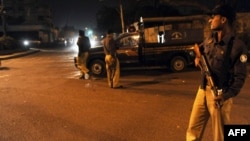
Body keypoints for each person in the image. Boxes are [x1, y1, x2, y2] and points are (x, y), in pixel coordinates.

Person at [186, 4, 248, 141]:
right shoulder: (210, 39)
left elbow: (240, 78)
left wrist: (225, 96)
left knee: (220, 136)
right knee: (192, 131)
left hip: (220, 95)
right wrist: (197, 57)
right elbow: (198, 50)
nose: (210, 20)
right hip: (202, 90)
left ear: (223, 20)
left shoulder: (237, 47)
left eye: (213, 17)